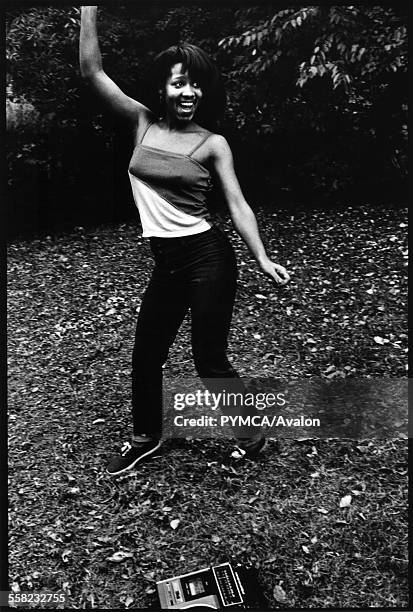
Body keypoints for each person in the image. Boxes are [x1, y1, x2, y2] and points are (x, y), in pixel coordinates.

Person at [79, 6, 290, 476]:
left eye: (195, 83)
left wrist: (262, 256)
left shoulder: (212, 143)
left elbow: (236, 204)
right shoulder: (142, 123)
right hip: (167, 262)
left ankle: (250, 435)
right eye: (178, 83)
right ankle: (145, 438)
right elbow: (92, 71)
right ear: (163, 88)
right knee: (146, 353)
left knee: (207, 356)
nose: (188, 91)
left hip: (208, 257)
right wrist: (88, 9)